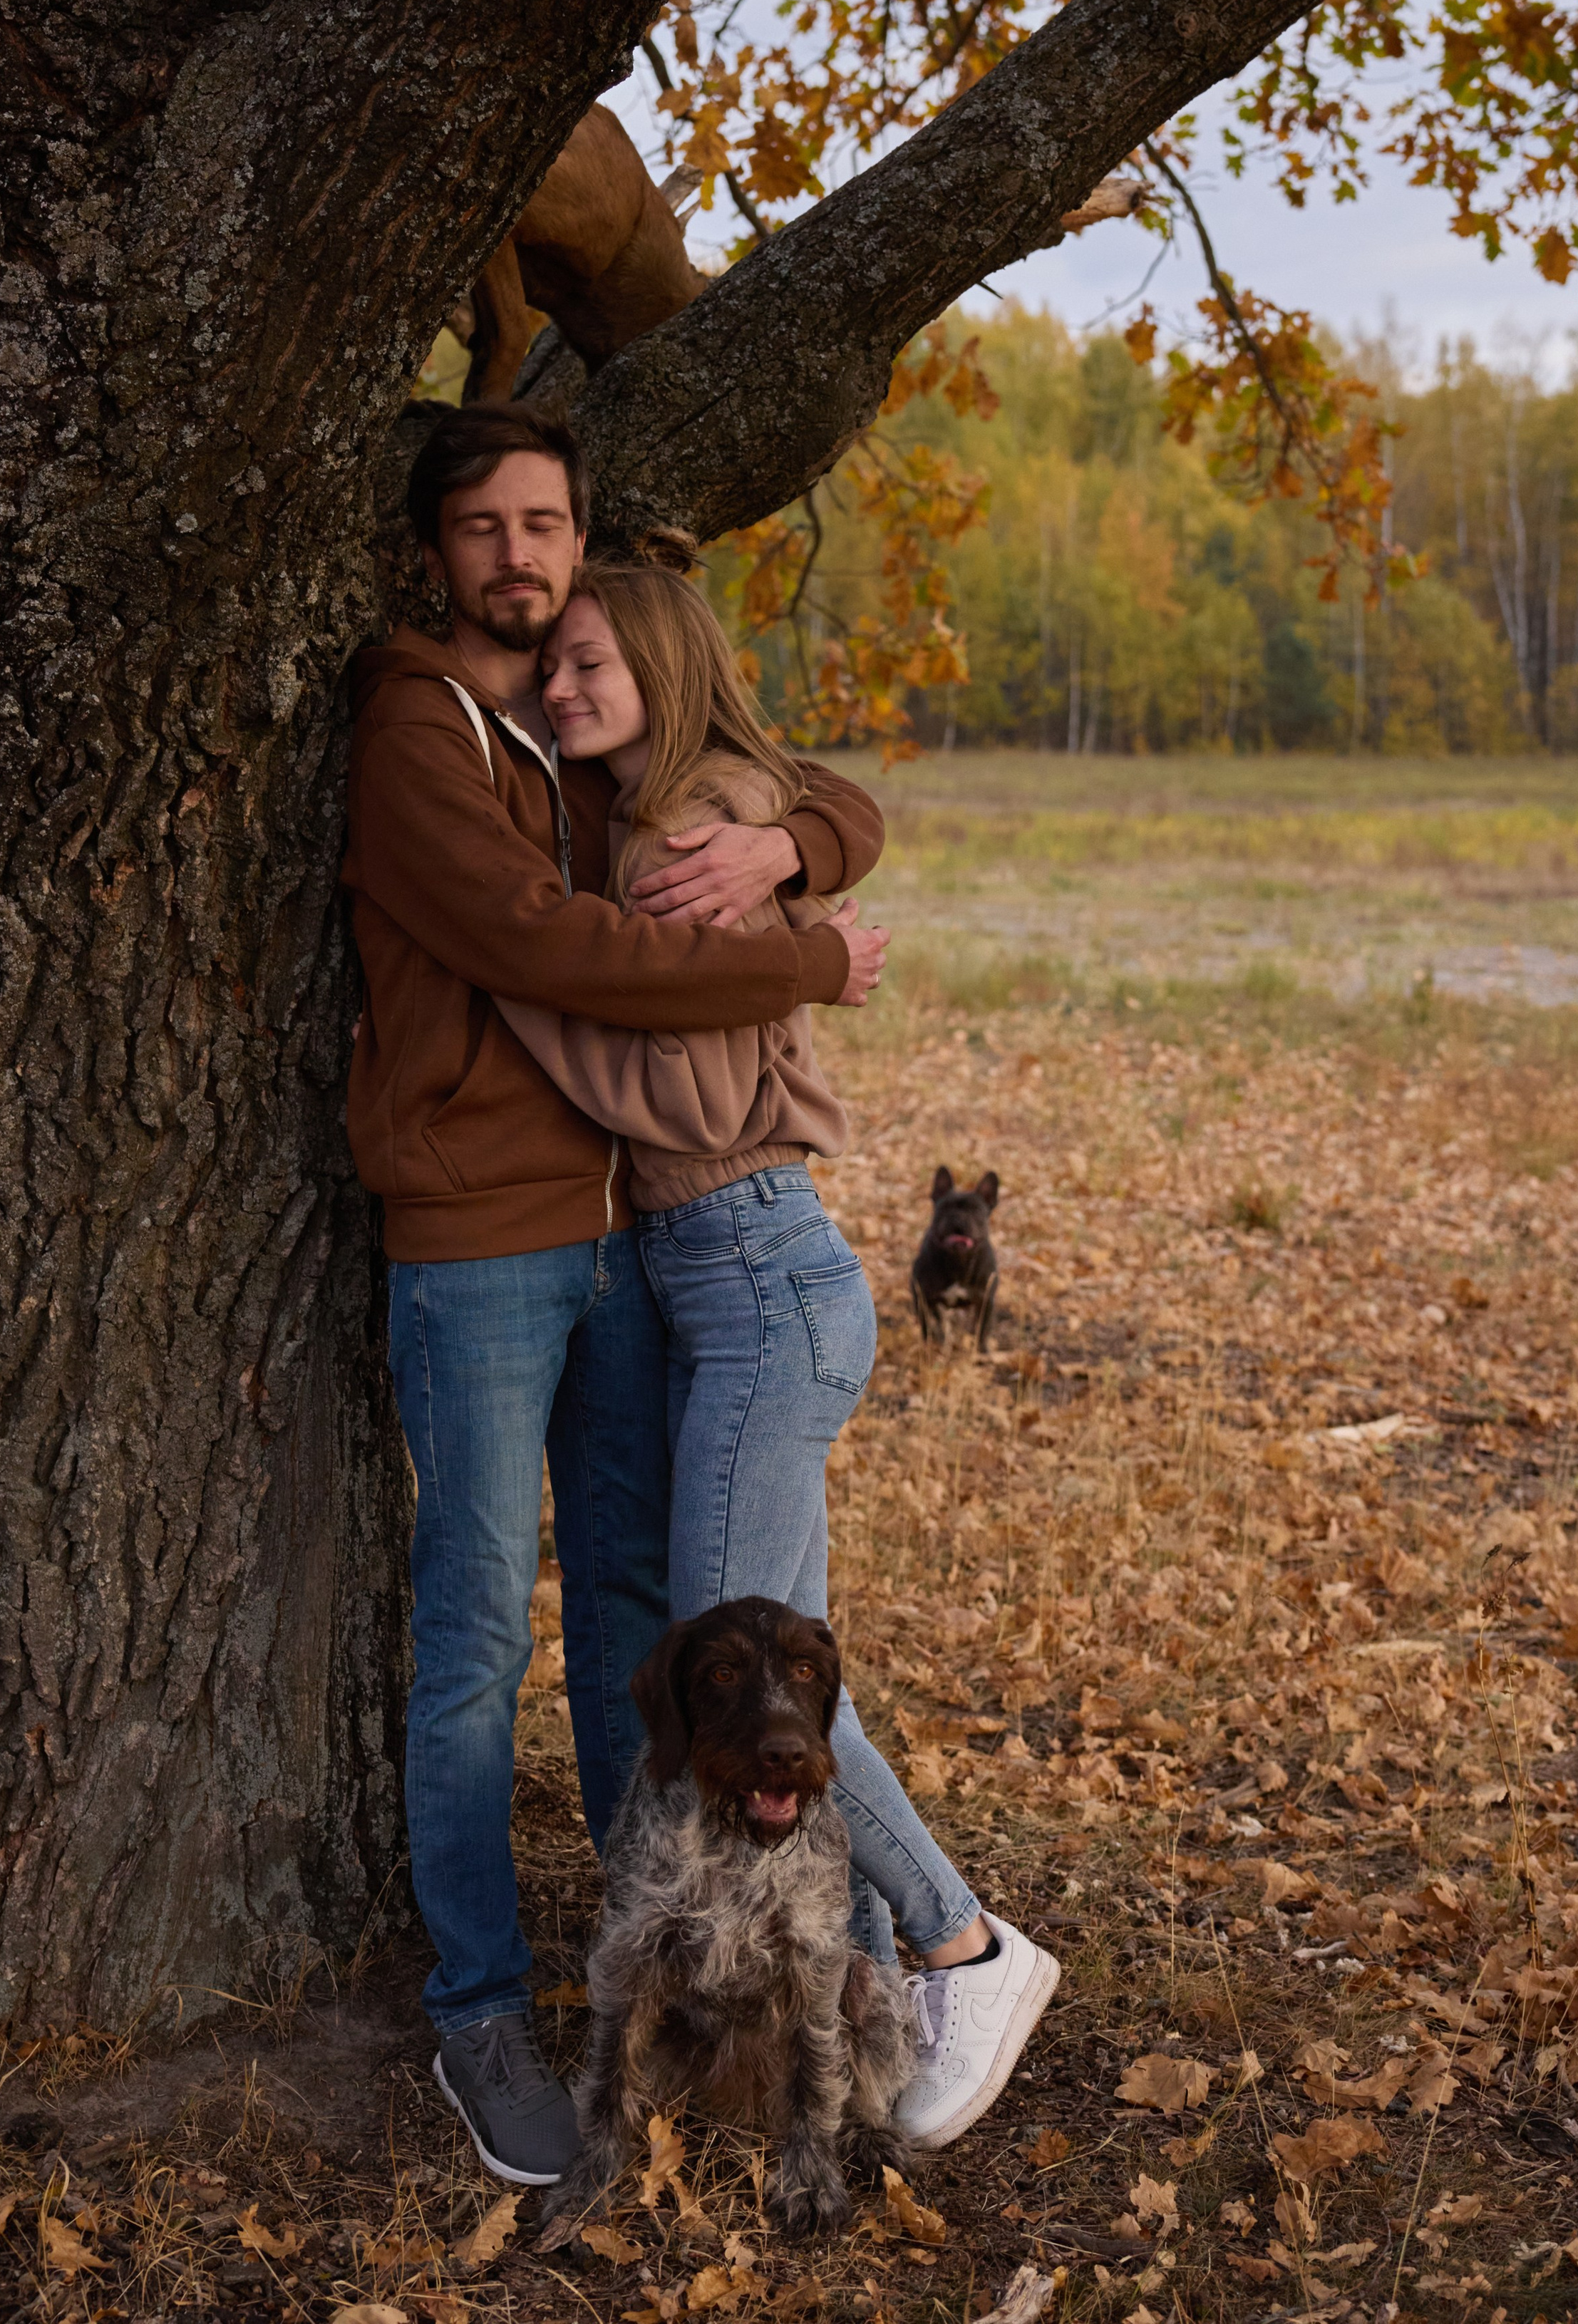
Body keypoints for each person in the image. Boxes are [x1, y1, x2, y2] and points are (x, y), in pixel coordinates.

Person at [342, 403, 892, 2187]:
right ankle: (480, 2008)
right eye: (484, 526)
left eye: (546, 526)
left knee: (639, 1636)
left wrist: (789, 850)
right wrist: (804, 949)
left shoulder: (582, 728)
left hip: (635, 1250)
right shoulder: (417, 728)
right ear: (436, 547)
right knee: (478, 1635)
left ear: (581, 547)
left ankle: (656, 1962)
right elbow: (544, 947)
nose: (518, 556)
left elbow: (816, 789)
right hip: (485, 1242)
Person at [495, 558, 1060, 2151]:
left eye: (590, 658)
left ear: (662, 663)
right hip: (725, 1279)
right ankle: (872, 1998)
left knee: (742, 1678)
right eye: (550, 667)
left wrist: (519, 984)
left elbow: (678, 1101)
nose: (559, 687)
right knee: (766, 1661)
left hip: (755, 1270)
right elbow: (827, 818)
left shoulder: (686, 834)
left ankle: (965, 1943)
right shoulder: (682, 814)